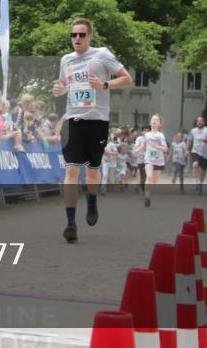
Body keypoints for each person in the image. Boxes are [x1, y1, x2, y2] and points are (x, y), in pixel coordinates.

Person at [52, 17, 131, 242]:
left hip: (97, 121)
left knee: (93, 171)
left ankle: (92, 201)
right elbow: (63, 86)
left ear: (90, 37)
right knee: (72, 171)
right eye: (73, 35)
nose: (77, 38)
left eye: (81, 35)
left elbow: (127, 79)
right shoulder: (66, 60)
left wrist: (104, 85)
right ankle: (70, 223)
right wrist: (59, 89)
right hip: (72, 121)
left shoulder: (102, 55)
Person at [141, 114, 168, 207]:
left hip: (159, 161)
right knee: (149, 176)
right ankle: (147, 197)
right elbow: (143, 145)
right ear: (150, 122)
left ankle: (148, 193)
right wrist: (137, 149)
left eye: (156, 120)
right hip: (149, 160)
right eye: (152, 119)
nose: (154, 121)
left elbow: (165, 149)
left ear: (159, 124)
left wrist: (156, 146)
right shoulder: (146, 135)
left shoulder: (161, 136)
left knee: (154, 181)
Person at [189, 115, 207, 194]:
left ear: (204, 122)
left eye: (201, 121)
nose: (199, 122)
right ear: (196, 123)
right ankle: (195, 183)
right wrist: (187, 149)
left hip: (205, 154)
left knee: (202, 172)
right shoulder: (193, 131)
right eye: (198, 121)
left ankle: (200, 184)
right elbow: (189, 140)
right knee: (195, 164)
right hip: (195, 151)